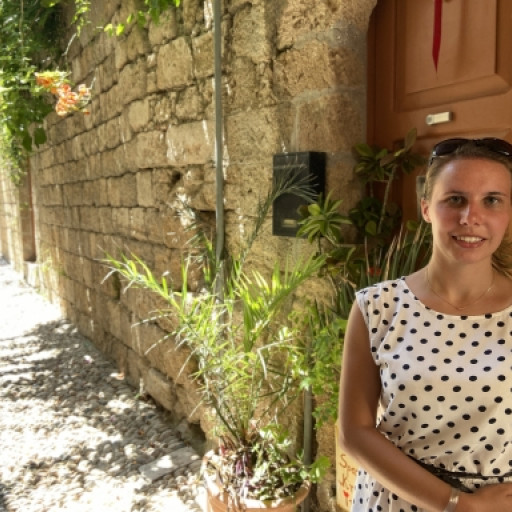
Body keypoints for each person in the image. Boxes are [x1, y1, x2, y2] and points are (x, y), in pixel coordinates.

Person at [338, 137, 512, 511]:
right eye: (455, 199)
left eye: (492, 200)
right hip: (396, 500)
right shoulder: (378, 307)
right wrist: (458, 504)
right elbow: (355, 432)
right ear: (426, 208)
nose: (470, 217)